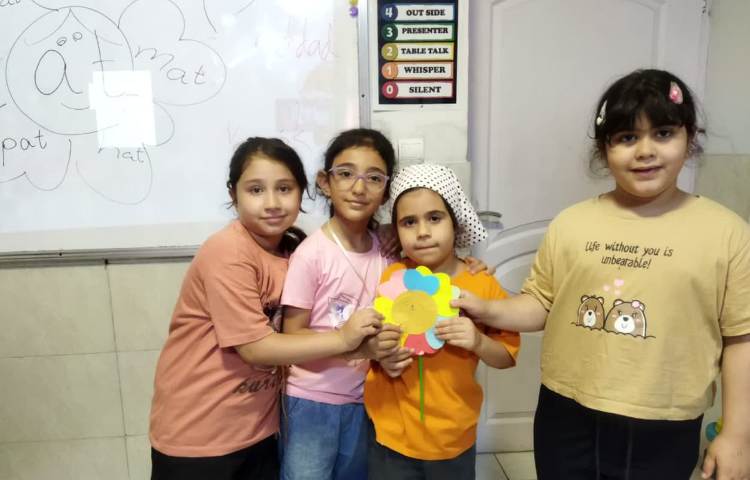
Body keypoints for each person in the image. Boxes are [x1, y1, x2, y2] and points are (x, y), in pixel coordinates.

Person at [452, 69, 750, 480]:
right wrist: (483, 308)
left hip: (664, 421)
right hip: (566, 411)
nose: (645, 151)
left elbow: (741, 337)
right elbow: (540, 304)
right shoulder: (572, 224)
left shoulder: (727, 232)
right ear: (604, 148)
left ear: (689, 139)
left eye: (663, 133)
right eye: (627, 137)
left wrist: (737, 434)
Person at [148, 137, 381, 480]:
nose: (272, 203)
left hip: (257, 429)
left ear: (302, 192)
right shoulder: (227, 252)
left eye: (284, 189)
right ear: (233, 194)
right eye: (255, 190)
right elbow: (256, 347)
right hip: (198, 432)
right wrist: (345, 340)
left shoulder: (292, 249)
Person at [364, 163, 520, 480]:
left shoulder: (481, 284)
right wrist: (382, 356)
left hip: (453, 437)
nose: (422, 232)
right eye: (409, 222)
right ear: (397, 230)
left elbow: (505, 356)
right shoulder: (393, 276)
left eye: (434, 218)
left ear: (455, 221)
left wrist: (477, 341)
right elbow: (374, 340)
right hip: (392, 433)